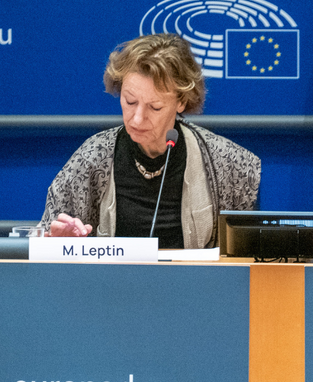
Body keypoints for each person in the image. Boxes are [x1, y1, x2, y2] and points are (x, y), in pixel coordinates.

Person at [40, 34, 261, 249]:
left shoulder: (230, 165)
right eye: (130, 101)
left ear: (181, 102)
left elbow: (250, 259)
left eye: (155, 107)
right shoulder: (91, 158)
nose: (137, 119)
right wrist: (59, 244)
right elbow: (45, 242)